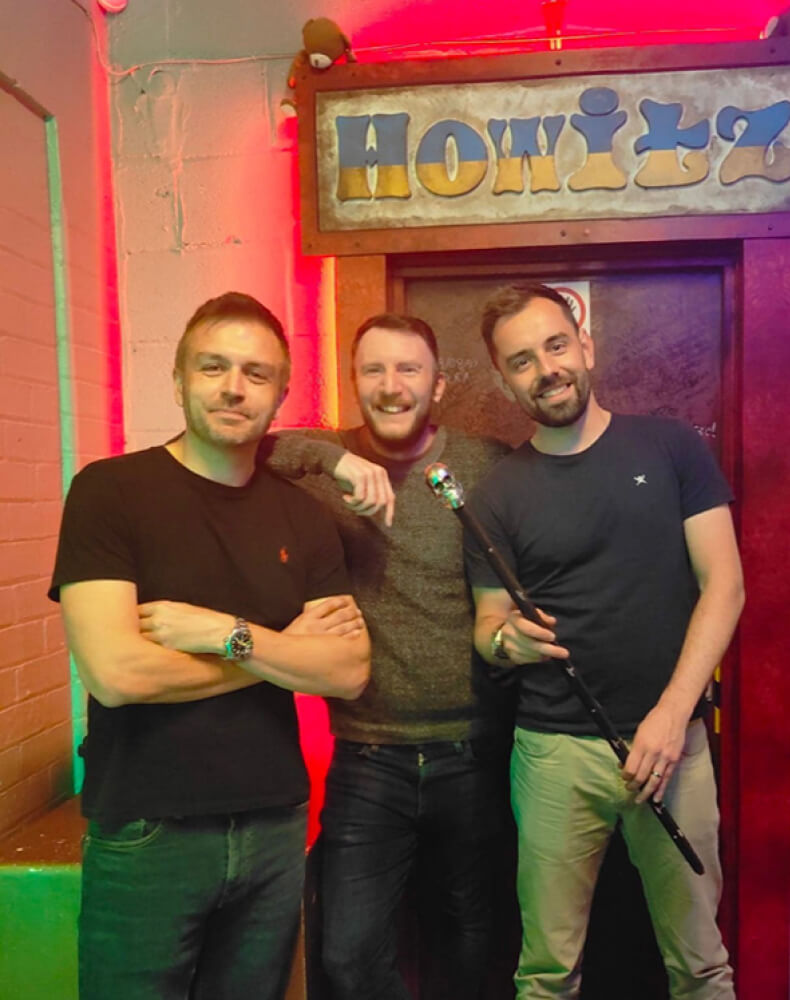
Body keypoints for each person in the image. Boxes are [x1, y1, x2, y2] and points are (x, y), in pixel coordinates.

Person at [48, 292, 370, 1000]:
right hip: (148, 829)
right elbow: (115, 673)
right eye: (213, 366)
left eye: (257, 373)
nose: (233, 387)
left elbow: (347, 669)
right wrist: (273, 652)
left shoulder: (304, 516)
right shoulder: (109, 492)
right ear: (178, 379)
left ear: (280, 393)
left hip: (274, 824)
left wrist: (222, 636)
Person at [465, 282, 744, 999]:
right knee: (546, 975)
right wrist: (509, 643)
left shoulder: (672, 447)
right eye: (522, 360)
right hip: (553, 753)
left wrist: (672, 715)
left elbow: (725, 587)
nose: (546, 369)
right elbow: (487, 629)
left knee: (702, 968)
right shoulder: (497, 494)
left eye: (556, 345)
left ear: (586, 347)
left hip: (674, 748)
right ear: (504, 380)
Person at [260, 313, 514, 1000]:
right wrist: (331, 458)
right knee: (346, 955)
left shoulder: (485, 463)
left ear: (437, 385)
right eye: (373, 369)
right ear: (354, 381)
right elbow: (242, 444)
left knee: (474, 945)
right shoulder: (325, 465)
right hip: (368, 757)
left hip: (474, 751)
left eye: (408, 369)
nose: (391, 385)